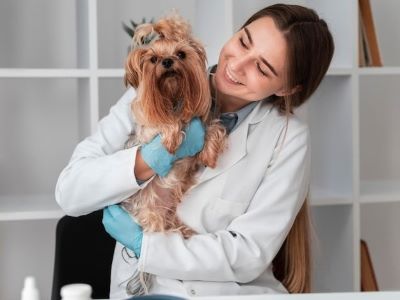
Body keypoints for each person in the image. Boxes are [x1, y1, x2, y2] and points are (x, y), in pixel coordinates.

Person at [55, 3, 334, 299]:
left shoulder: (287, 138)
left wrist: (145, 245)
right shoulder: (149, 91)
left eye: (262, 68)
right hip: (146, 289)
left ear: (287, 89)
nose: (237, 65)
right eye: (243, 42)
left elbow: (249, 253)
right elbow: (70, 192)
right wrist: (149, 159)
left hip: (229, 293)